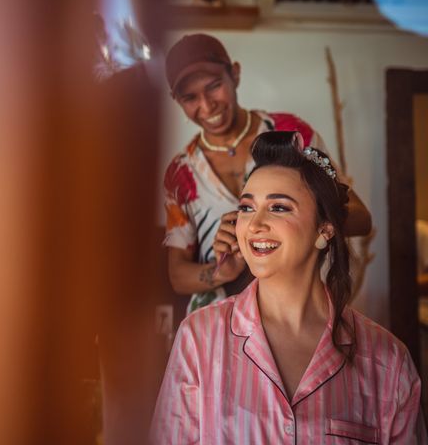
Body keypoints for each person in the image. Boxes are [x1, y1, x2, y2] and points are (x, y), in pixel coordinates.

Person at [151, 131, 426, 444]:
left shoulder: (387, 361)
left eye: (279, 207)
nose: (254, 225)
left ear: (325, 228)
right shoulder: (199, 339)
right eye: (246, 208)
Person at [163, 34, 372, 312]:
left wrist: (295, 223)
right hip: (219, 320)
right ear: (175, 100)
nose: (207, 105)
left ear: (235, 74)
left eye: (214, 86)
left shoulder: (291, 136)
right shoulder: (181, 174)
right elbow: (177, 276)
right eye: (190, 97)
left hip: (300, 311)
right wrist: (223, 270)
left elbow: (361, 218)